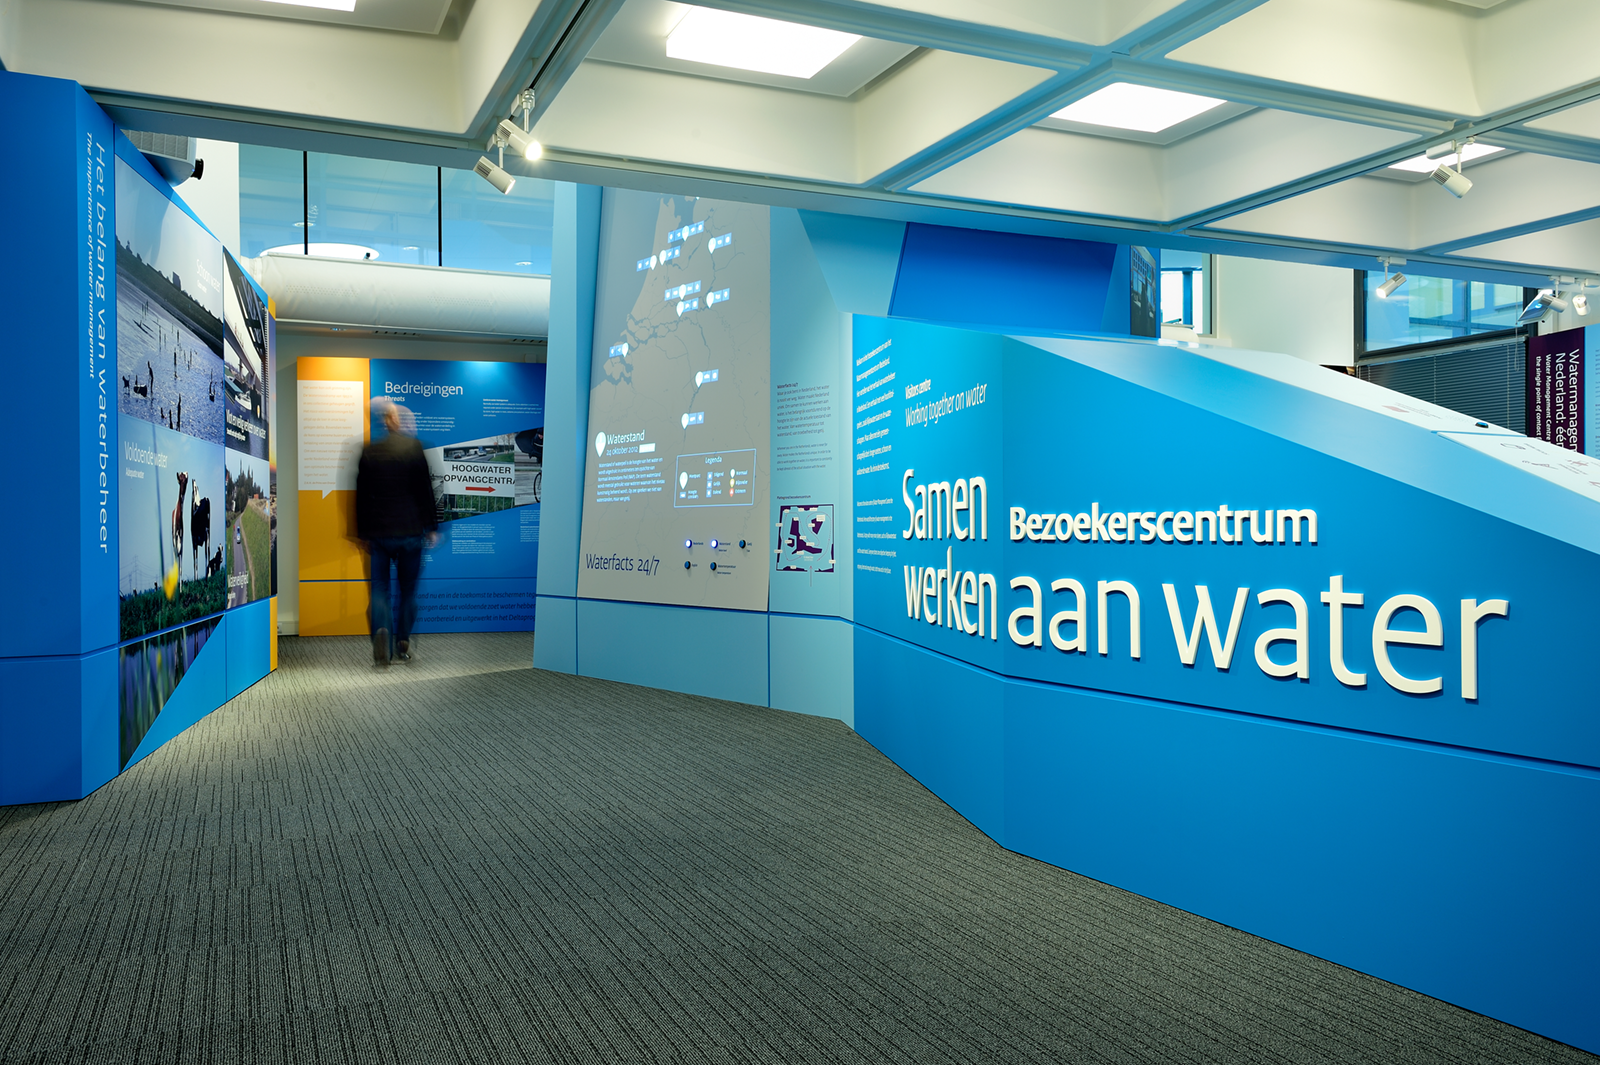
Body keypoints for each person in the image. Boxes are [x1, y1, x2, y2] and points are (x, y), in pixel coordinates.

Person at [355, 400, 438, 665]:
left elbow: (360, 497)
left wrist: (361, 533)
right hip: (411, 531)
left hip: (378, 533)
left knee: (379, 589)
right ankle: (402, 641)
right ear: (394, 420)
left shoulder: (369, 451)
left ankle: (382, 629)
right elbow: (425, 490)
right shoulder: (414, 447)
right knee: (408, 590)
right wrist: (432, 527)